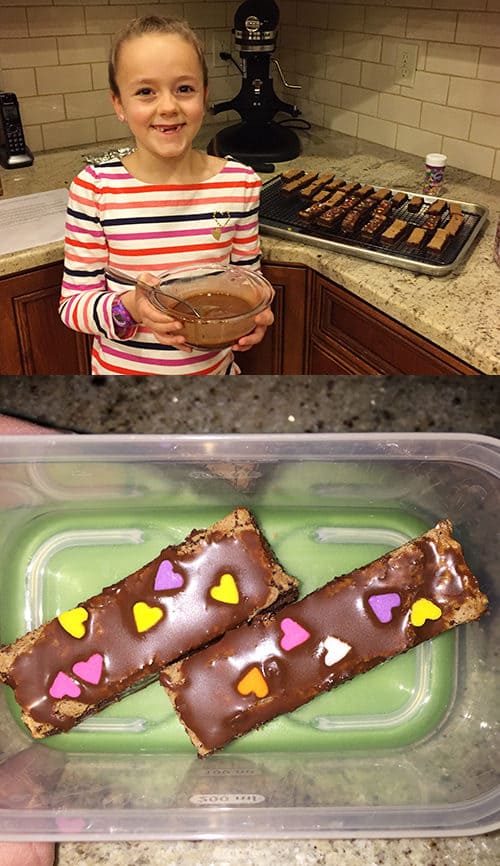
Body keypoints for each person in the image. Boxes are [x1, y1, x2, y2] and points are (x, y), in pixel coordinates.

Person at [59, 15, 273, 375]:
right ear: (119, 104)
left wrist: (257, 315)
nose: (169, 107)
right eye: (145, 91)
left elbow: (247, 281)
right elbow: (73, 306)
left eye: (184, 89)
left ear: (204, 97)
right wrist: (130, 306)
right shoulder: (95, 189)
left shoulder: (240, 184)